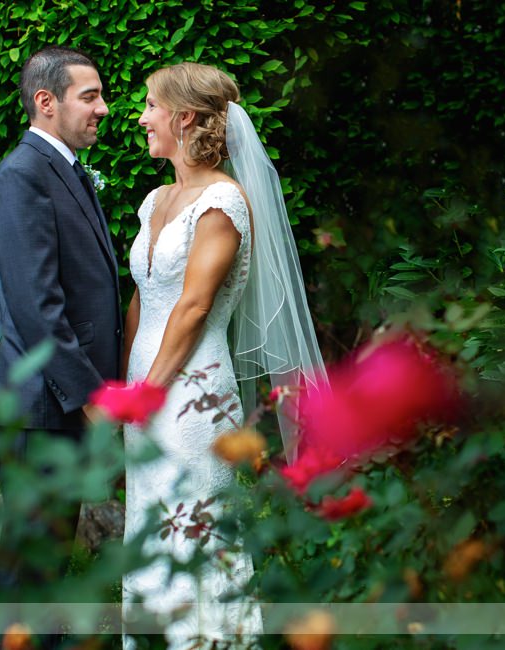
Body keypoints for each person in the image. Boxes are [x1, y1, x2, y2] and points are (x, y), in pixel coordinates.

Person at [121, 62, 326, 646]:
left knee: (194, 528)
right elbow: (143, 297)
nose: (142, 118)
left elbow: (192, 306)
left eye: (151, 107)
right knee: (149, 524)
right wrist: (123, 384)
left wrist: (149, 391)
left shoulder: (223, 201)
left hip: (190, 390)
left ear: (185, 118)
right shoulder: (156, 198)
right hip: (145, 383)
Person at [0, 46, 122, 602]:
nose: (104, 108)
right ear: (46, 102)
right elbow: (37, 307)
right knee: (32, 570)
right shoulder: (22, 176)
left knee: (48, 565)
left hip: (56, 403)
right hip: (42, 406)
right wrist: (91, 397)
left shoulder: (59, 169)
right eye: (89, 96)